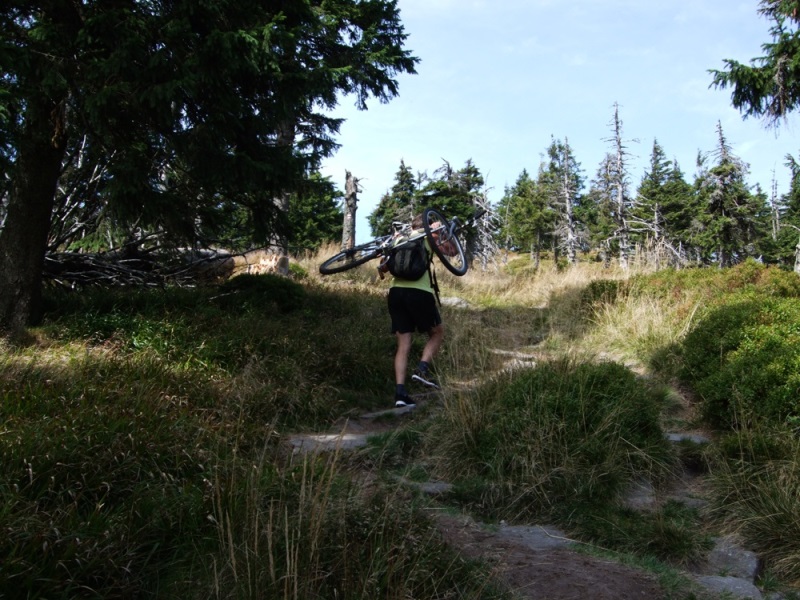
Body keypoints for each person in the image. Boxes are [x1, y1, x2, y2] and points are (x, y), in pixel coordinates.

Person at [380, 213, 456, 408]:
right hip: (420, 292)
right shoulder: (429, 237)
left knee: (403, 344)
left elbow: (383, 269)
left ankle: (400, 394)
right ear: (429, 226)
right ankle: (422, 369)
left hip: (396, 293)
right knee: (437, 333)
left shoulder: (398, 238)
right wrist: (446, 233)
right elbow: (452, 252)